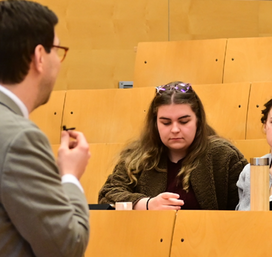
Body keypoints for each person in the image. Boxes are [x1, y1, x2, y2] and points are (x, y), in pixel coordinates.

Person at [0, 0, 90, 257]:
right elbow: (67, 248)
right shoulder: (19, 138)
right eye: (57, 50)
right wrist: (70, 177)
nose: (59, 62)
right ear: (39, 57)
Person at [99, 82, 247, 210]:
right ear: (155, 124)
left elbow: (247, 205)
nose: (175, 129)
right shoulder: (137, 156)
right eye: (166, 123)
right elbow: (107, 195)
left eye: (184, 121)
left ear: (198, 121)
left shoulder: (224, 155)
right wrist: (147, 204)